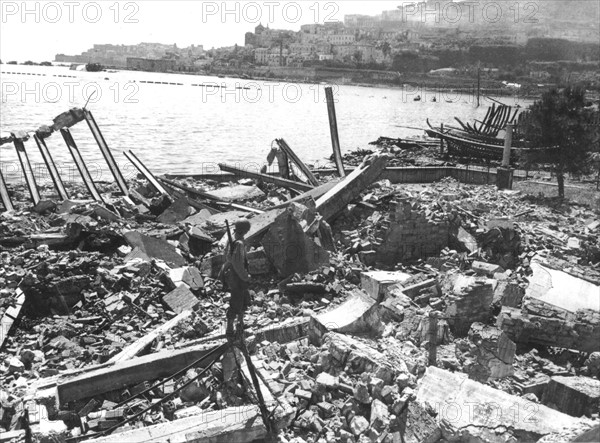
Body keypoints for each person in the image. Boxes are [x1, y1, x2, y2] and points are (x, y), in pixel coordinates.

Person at [221, 219, 251, 338]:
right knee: (236, 302)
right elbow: (237, 263)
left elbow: (227, 256)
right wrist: (245, 276)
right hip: (237, 276)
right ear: (245, 231)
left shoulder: (232, 239)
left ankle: (240, 323)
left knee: (244, 298)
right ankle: (229, 329)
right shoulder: (238, 243)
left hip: (233, 274)